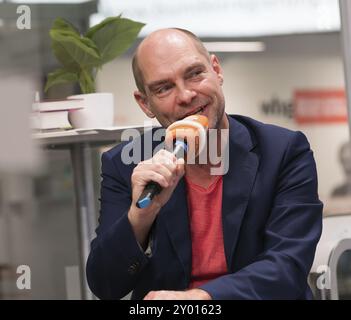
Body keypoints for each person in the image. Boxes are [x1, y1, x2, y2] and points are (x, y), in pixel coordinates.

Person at [86, 28, 323, 300]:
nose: (186, 95)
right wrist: (140, 216)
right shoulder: (125, 164)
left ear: (216, 70)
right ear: (145, 103)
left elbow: (287, 268)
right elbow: (105, 285)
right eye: (164, 88)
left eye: (194, 74)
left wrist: (201, 299)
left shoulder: (283, 151)